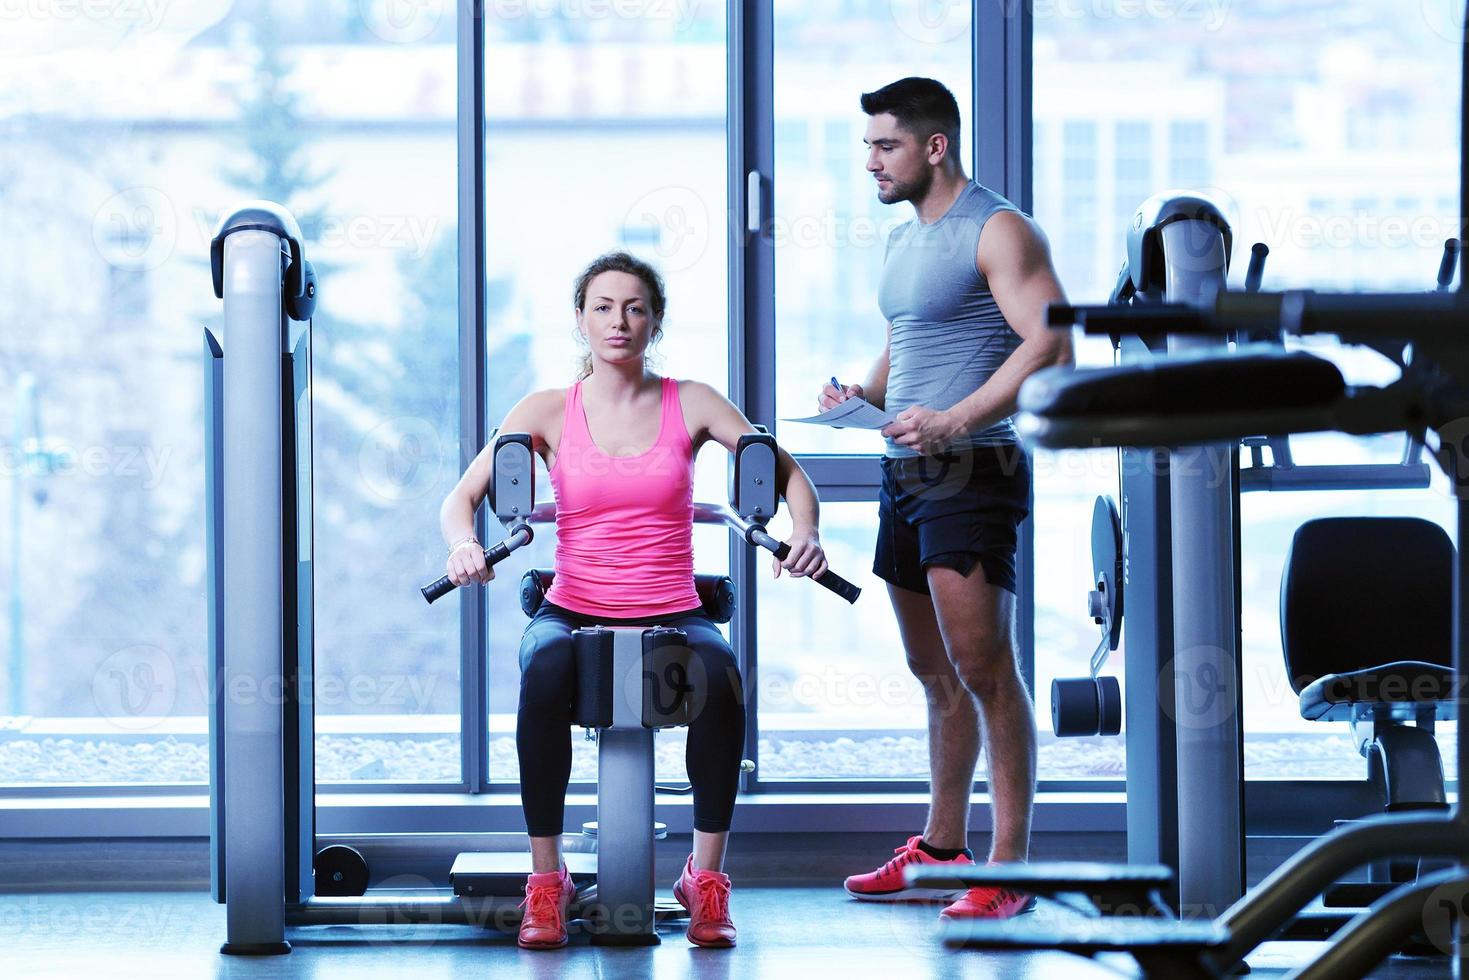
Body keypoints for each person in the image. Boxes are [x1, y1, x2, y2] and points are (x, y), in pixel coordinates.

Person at [439, 251, 829, 950]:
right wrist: (463, 545)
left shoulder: (696, 400)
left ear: (655, 319)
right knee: (546, 669)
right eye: (603, 307)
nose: (619, 321)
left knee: (721, 676)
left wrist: (807, 532)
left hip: (673, 607)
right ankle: (545, 881)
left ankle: (704, 879)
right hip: (573, 603)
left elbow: (785, 471)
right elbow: (461, 497)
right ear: (580, 319)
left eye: (635, 307)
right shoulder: (547, 409)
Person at [828, 77, 1072, 920]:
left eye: (884, 145)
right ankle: (941, 847)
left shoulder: (997, 228)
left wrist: (956, 419)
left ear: (935, 145)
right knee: (930, 671)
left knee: (983, 672)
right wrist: (858, 397)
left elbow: (1052, 338)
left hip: (974, 471)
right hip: (909, 471)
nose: (870, 162)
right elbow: (911, 342)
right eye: (867, 147)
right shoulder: (906, 240)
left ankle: (1011, 871)